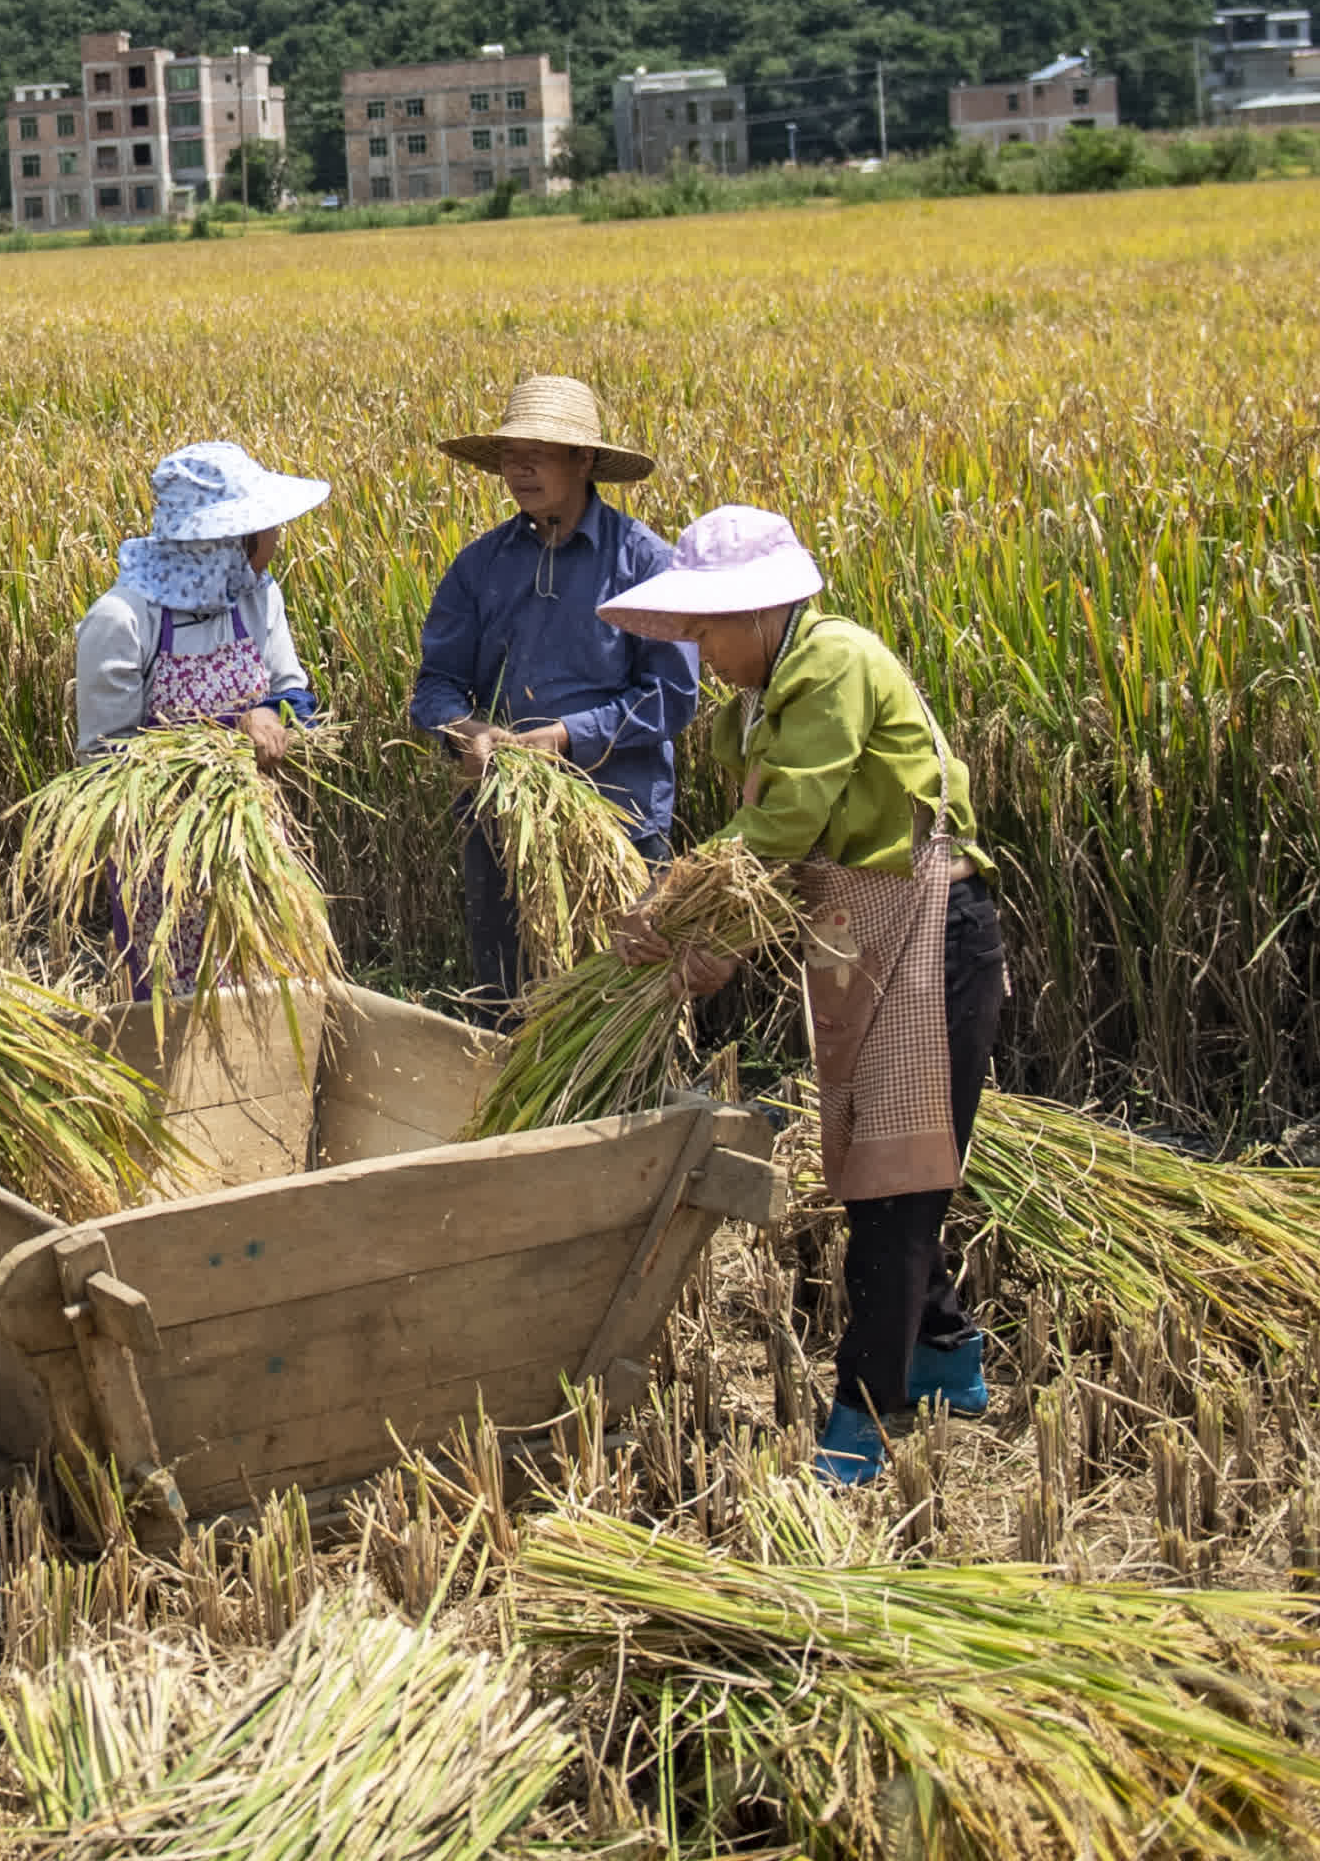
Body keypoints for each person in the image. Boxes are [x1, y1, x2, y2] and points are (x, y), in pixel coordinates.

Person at [601, 504, 1004, 1489]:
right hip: (856, 936)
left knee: (894, 1178)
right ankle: (947, 1358)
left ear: (767, 606)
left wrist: (682, 906)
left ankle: (867, 1417)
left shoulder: (830, 665)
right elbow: (775, 865)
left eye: (708, 628)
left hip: (926, 928)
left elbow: (785, 825)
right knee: (880, 1158)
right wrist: (716, 946)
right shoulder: (762, 699)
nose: (698, 651)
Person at [407, 374, 701, 1011]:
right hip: (503, 819)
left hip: (618, 825)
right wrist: (468, 731)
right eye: (510, 455)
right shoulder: (481, 565)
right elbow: (435, 684)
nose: (519, 469)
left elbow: (671, 695)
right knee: (507, 1002)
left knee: (620, 1007)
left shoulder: (643, 562)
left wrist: (566, 736)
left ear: (585, 459)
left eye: (537, 452)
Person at [73, 439, 331, 989]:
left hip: (255, 834)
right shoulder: (122, 620)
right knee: (176, 1003)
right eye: (268, 529)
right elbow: (104, 759)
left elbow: (295, 697)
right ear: (229, 539)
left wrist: (273, 715)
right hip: (163, 853)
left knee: (270, 989)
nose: (278, 542)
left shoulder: (257, 597)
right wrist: (232, 731)